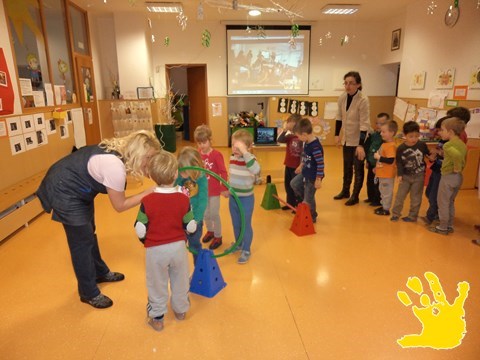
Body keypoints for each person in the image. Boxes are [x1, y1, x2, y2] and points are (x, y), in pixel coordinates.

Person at [36, 130, 161, 309]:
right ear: (138, 152)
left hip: (79, 188)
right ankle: (88, 293)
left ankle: (100, 272)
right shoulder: (114, 166)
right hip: (64, 188)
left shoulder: (119, 154)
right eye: (148, 157)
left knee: (89, 232)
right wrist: (148, 193)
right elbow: (120, 205)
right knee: (81, 242)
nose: (149, 162)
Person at [134, 151, 197, 331]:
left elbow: (140, 227)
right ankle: (180, 310)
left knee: (156, 283)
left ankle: (158, 317)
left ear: (152, 176)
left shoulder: (147, 200)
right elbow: (190, 225)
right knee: (180, 279)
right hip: (178, 248)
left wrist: (144, 239)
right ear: (176, 174)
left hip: (155, 250)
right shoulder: (183, 199)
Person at [222, 129, 261, 264]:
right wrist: (228, 188)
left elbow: (256, 170)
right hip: (233, 198)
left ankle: (246, 249)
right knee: (236, 224)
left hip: (246, 199)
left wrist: (245, 153)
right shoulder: (233, 157)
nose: (235, 149)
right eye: (233, 145)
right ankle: (238, 244)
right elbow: (232, 176)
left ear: (248, 147)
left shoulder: (251, 159)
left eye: (238, 147)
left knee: (245, 224)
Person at [333, 71, 371, 206]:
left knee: (358, 168)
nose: (348, 86)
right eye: (346, 83)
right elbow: (338, 117)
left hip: (359, 140)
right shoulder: (342, 97)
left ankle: (355, 195)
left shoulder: (363, 100)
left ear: (358, 85)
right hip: (347, 138)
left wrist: (360, 145)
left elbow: (364, 124)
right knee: (347, 166)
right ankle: (345, 191)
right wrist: (337, 135)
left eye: (351, 83)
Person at [429, 118, 467, 235]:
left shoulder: (448, 145)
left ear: (450, 132)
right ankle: (449, 225)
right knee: (450, 202)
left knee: (443, 202)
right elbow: (459, 156)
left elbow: (456, 155)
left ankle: (442, 227)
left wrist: (456, 166)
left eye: (443, 130)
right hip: (458, 178)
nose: (440, 132)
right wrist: (458, 168)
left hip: (448, 177)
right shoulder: (461, 143)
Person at [194, 125, 228, 250]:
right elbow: (194, 169)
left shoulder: (216, 155)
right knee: (205, 214)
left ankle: (218, 236)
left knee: (214, 213)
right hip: (201, 190)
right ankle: (210, 231)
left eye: (204, 142)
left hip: (214, 191)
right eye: (199, 143)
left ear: (210, 140)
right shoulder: (197, 154)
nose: (202, 145)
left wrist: (224, 187)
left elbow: (223, 172)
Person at [390, 121, 431, 222]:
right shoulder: (401, 148)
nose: (414, 139)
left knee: (416, 197)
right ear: (405, 135)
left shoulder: (422, 145)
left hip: (419, 176)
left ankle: (413, 216)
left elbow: (428, 155)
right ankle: (395, 214)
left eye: (416, 136)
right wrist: (399, 175)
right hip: (405, 176)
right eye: (411, 136)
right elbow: (399, 162)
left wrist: (432, 156)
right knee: (400, 196)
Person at [176, 146, 208, 265]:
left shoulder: (201, 178)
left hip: (195, 220)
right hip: (180, 218)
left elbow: (203, 200)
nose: (182, 173)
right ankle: (179, 268)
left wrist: (196, 219)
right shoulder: (179, 176)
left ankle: (199, 267)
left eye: (184, 170)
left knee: (194, 245)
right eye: (180, 169)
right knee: (179, 245)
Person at [290, 118, 325, 223]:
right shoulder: (306, 143)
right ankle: (307, 199)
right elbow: (305, 156)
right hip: (306, 172)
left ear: (304, 134)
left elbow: (320, 164)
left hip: (314, 176)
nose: (299, 138)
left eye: (299, 136)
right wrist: (301, 165)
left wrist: (318, 179)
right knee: (294, 184)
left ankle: (312, 216)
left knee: (308, 198)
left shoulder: (315, 147)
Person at [422, 116, 449, 225]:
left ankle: (431, 217)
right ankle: (435, 214)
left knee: (434, 195)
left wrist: (439, 153)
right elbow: (437, 154)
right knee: (429, 192)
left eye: (441, 130)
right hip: (436, 169)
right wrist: (433, 156)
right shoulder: (442, 141)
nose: (438, 133)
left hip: (442, 172)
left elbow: (447, 155)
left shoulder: (450, 144)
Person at [277, 113, 303, 210]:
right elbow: (280, 139)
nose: (287, 124)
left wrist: (301, 165)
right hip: (288, 164)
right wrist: (285, 130)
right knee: (288, 186)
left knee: (296, 186)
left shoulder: (301, 137)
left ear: (296, 124)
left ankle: (299, 205)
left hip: (297, 167)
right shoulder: (290, 136)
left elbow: (304, 153)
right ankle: (290, 204)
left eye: (289, 123)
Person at [373, 120, 398, 216]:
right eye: (381, 131)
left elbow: (391, 160)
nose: (381, 133)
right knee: (382, 190)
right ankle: (384, 205)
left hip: (387, 174)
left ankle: (386, 209)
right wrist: (376, 168)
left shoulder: (391, 146)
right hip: (382, 173)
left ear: (391, 133)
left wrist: (379, 157)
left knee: (387, 192)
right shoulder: (385, 144)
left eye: (384, 132)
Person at [365, 113, 389, 206]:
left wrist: (378, 164)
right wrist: (367, 160)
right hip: (371, 163)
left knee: (377, 184)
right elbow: (370, 149)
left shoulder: (385, 139)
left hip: (379, 165)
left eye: (382, 123)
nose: (379, 125)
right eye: (377, 123)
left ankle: (377, 200)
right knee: (370, 182)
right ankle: (370, 198)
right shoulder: (374, 135)